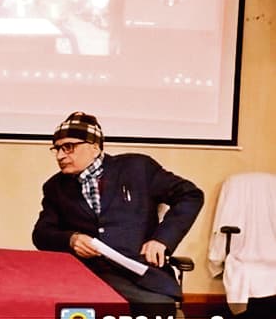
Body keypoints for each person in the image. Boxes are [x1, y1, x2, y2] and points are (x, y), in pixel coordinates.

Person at [32, 112, 204, 317]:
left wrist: (162, 240)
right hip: (86, 275)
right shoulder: (55, 187)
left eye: (68, 147)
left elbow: (190, 195)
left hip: (140, 276)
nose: (60, 156)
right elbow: (41, 234)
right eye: (57, 148)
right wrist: (71, 239)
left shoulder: (137, 168)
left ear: (94, 146)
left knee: (155, 307)